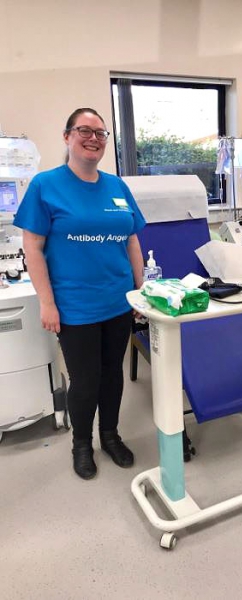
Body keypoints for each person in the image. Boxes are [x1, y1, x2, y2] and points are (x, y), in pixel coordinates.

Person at [14, 108, 146, 480]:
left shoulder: (117, 187)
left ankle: (110, 435)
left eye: (100, 133)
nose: (93, 139)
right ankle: (82, 444)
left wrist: (140, 291)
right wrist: (47, 303)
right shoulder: (45, 185)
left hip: (118, 301)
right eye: (84, 130)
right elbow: (33, 248)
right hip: (74, 306)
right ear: (67, 136)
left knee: (113, 375)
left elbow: (132, 241)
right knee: (86, 380)